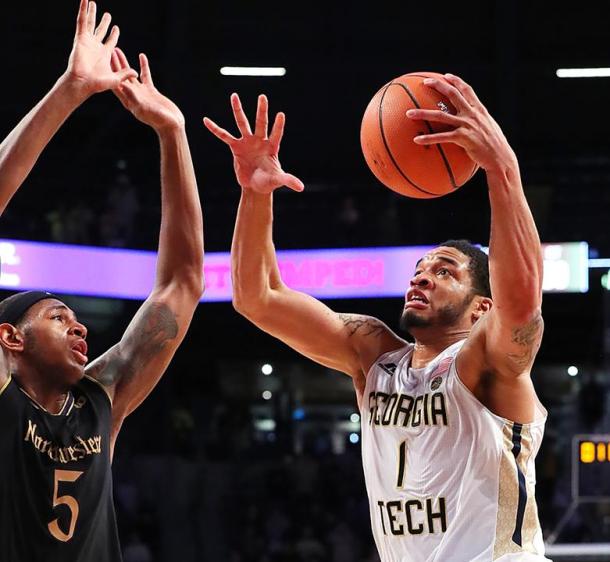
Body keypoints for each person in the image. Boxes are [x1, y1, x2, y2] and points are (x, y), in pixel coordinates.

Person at [204, 77, 550, 561]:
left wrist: (502, 168)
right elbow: (256, 296)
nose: (422, 278)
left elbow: (522, 300)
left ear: (481, 308)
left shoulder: (486, 364)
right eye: (419, 269)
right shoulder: (374, 355)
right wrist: (255, 193)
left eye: (444, 271)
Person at [0, 1, 204, 560]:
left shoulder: (99, 400)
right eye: (57, 317)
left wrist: (173, 132)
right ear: (10, 339)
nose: (79, 327)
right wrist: (70, 90)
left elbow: (182, 285)